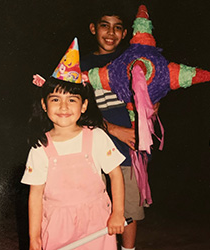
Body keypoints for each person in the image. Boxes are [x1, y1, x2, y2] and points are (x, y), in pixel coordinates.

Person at [21, 38, 126, 250]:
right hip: (58, 224)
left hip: (97, 221)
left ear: (84, 105)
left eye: (72, 100)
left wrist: (118, 212)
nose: (63, 107)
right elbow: (36, 195)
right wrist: (34, 237)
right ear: (44, 104)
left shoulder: (96, 136)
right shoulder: (40, 147)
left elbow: (115, 174)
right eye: (55, 99)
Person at [81, 7, 157, 250]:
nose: (110, 32)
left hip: (129, 154)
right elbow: (76, 114)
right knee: (95, 211)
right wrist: (114, 129)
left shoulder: (133, 61)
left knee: (128, 211)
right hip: (92, 153)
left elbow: (154, 94)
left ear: (125, 33)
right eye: (105, 25)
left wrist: (152, 107)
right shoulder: (81, 65)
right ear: (94, 29)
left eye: (117, 27)